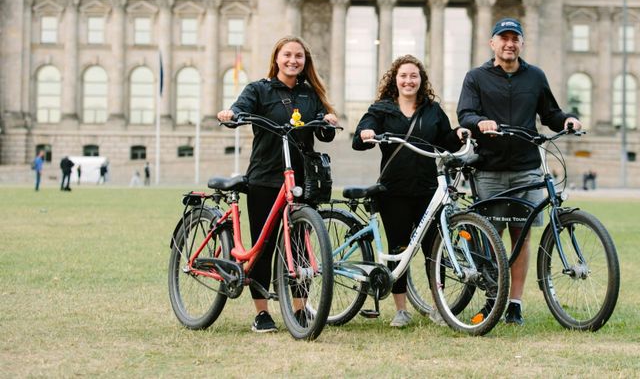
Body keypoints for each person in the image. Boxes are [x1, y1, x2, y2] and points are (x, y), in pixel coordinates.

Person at [457, 17, 581, 326]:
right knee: (490, 237)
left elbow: (550, 113)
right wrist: (479, 122)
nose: (509, 43)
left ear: (521, 43)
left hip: (527, 168)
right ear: (493, 43)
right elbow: (465, 112)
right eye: (503, 38)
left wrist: (567, 120)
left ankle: (515, 304)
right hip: (489, 168)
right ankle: (492, 298)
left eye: (515, 38)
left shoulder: (535, 77)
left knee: (521, 237)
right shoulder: (476, 77)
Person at [217, 35, 338, 334]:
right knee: (264, 246)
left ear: (305, 62)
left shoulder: (311, 95)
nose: (293, 60)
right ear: (277, 58)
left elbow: (324, 133)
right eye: (287, 55)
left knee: (299, 248)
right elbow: (240, 108)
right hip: (265, 177)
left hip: (300, 179)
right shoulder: (260, 89)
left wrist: (329, 120)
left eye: (299, 56)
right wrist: (232, 114)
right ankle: (261, 313)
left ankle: (298, 309)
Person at [352, 55, 468, 328]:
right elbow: (360, 136)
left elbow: (446, 140)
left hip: (429, 189)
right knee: (399, 248)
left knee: (433, 250)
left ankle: (439, 308)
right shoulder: (381, 109)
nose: (408, 81)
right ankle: (401, 310)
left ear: (421, 80)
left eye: (413, 76)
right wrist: (368, 132)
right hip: (394, 190)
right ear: (395, 79)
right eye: (403, 76)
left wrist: (459, 133)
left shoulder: (432, 110)